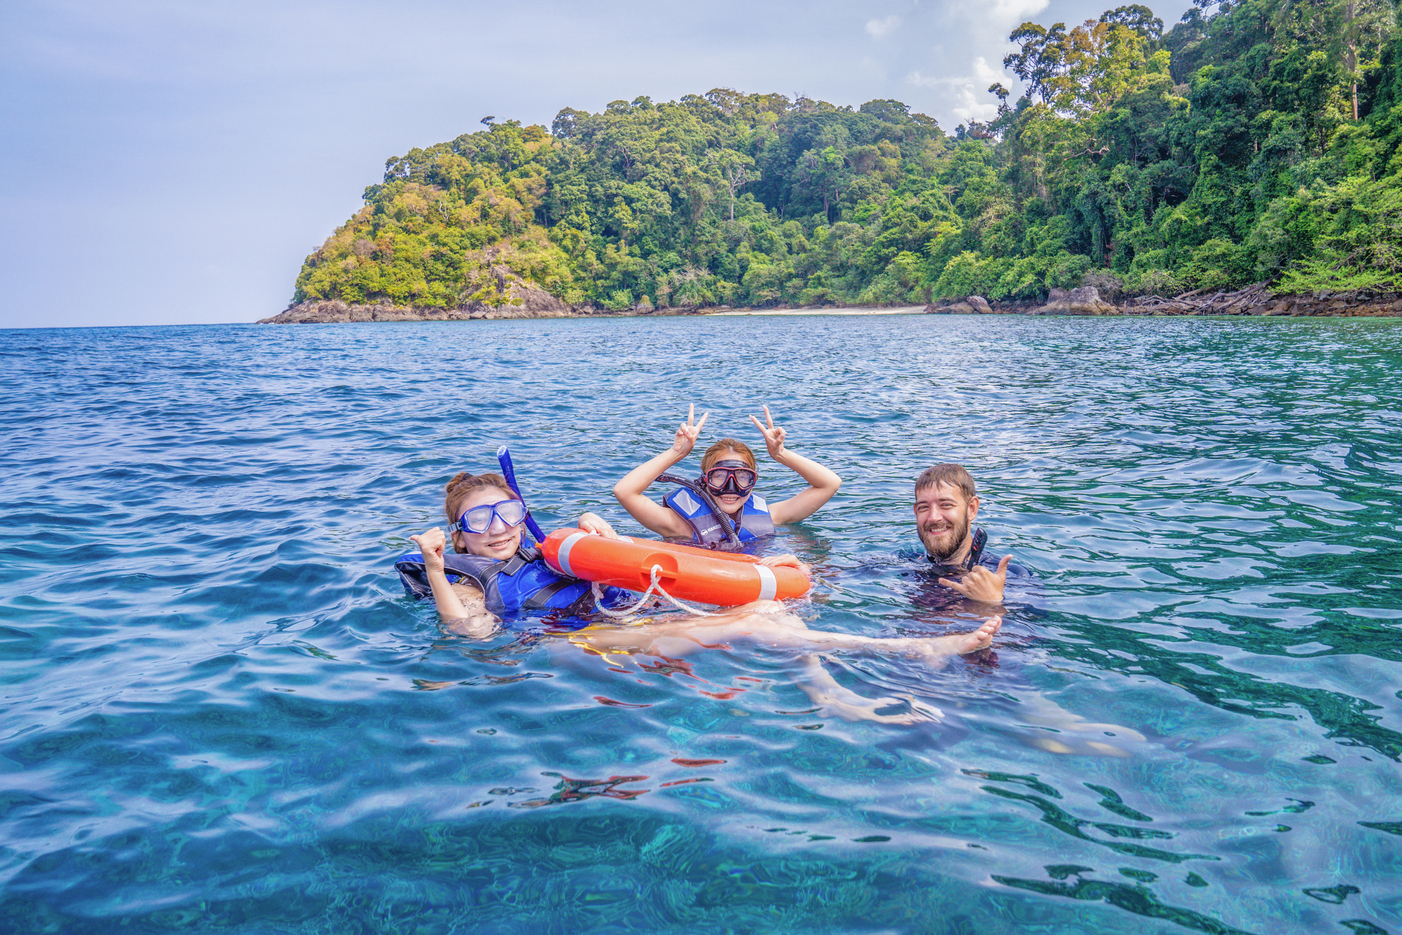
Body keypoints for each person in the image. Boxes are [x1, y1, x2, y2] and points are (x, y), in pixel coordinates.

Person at [397, 470, 628, 638]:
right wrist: (435, 571)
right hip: (577, 639)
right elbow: (475, 632)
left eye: (508, 513)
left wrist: (587, 523)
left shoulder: (541, 552)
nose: (499, 529)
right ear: (458, 537)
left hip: (627, 610)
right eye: (479, 520)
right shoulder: (469, 589)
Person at [613, 404, 841, 548]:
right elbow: (624, 492)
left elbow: (830, 484)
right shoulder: (679, 526)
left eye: (742, 477)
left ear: (753, 482)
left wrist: (781, 454)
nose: (730, 488)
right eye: (719, 476)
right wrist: (676, 453)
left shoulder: (771, 516)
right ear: (704, 480)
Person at [912, 463, 1018, 606]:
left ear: (971, 509)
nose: (933, 517)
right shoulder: (906, 564)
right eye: (924, 507)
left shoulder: (1011, 577)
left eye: (946, 505)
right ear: (916, 512)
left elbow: (1033, 619)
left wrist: (992, 602)